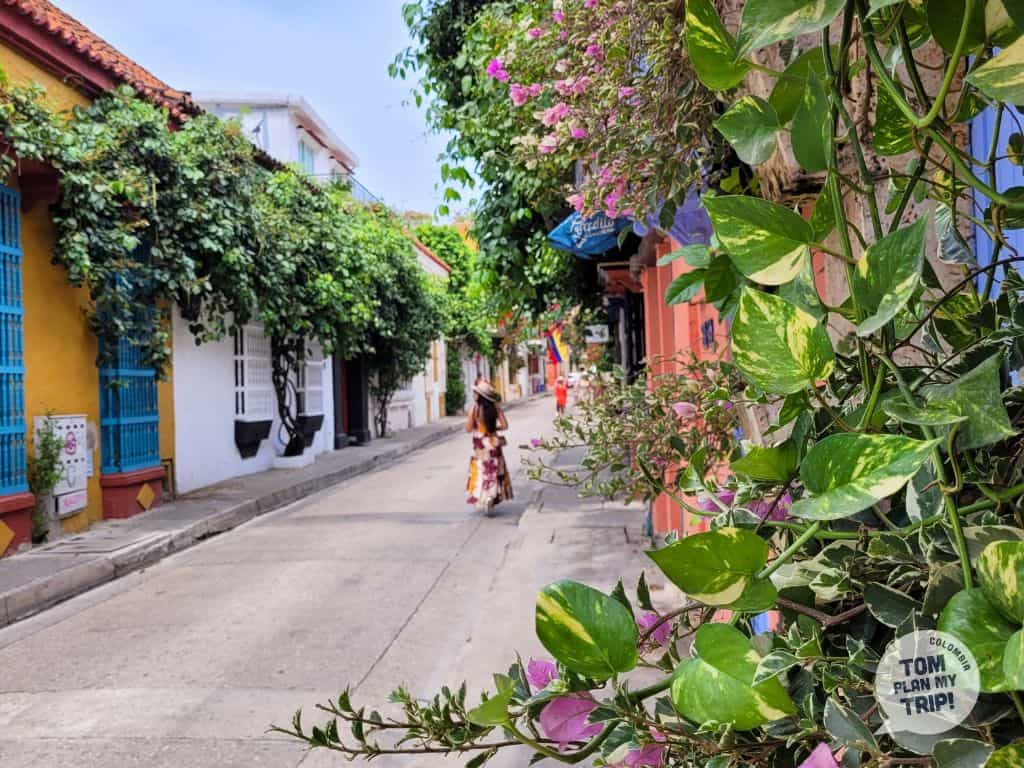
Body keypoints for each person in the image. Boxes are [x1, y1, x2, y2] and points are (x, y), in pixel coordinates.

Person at [465, 380, 512, 514]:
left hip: (480, 446)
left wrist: (477, 426)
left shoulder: (474, 409)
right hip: (493, 444)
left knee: (482, 471)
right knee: (494, 471)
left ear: (480, 395)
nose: (474, 394)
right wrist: (493, 427)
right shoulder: (496, 408)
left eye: (476, 392)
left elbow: (468, 429)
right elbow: (505, 426)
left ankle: (484, 497)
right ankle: (492, 495)